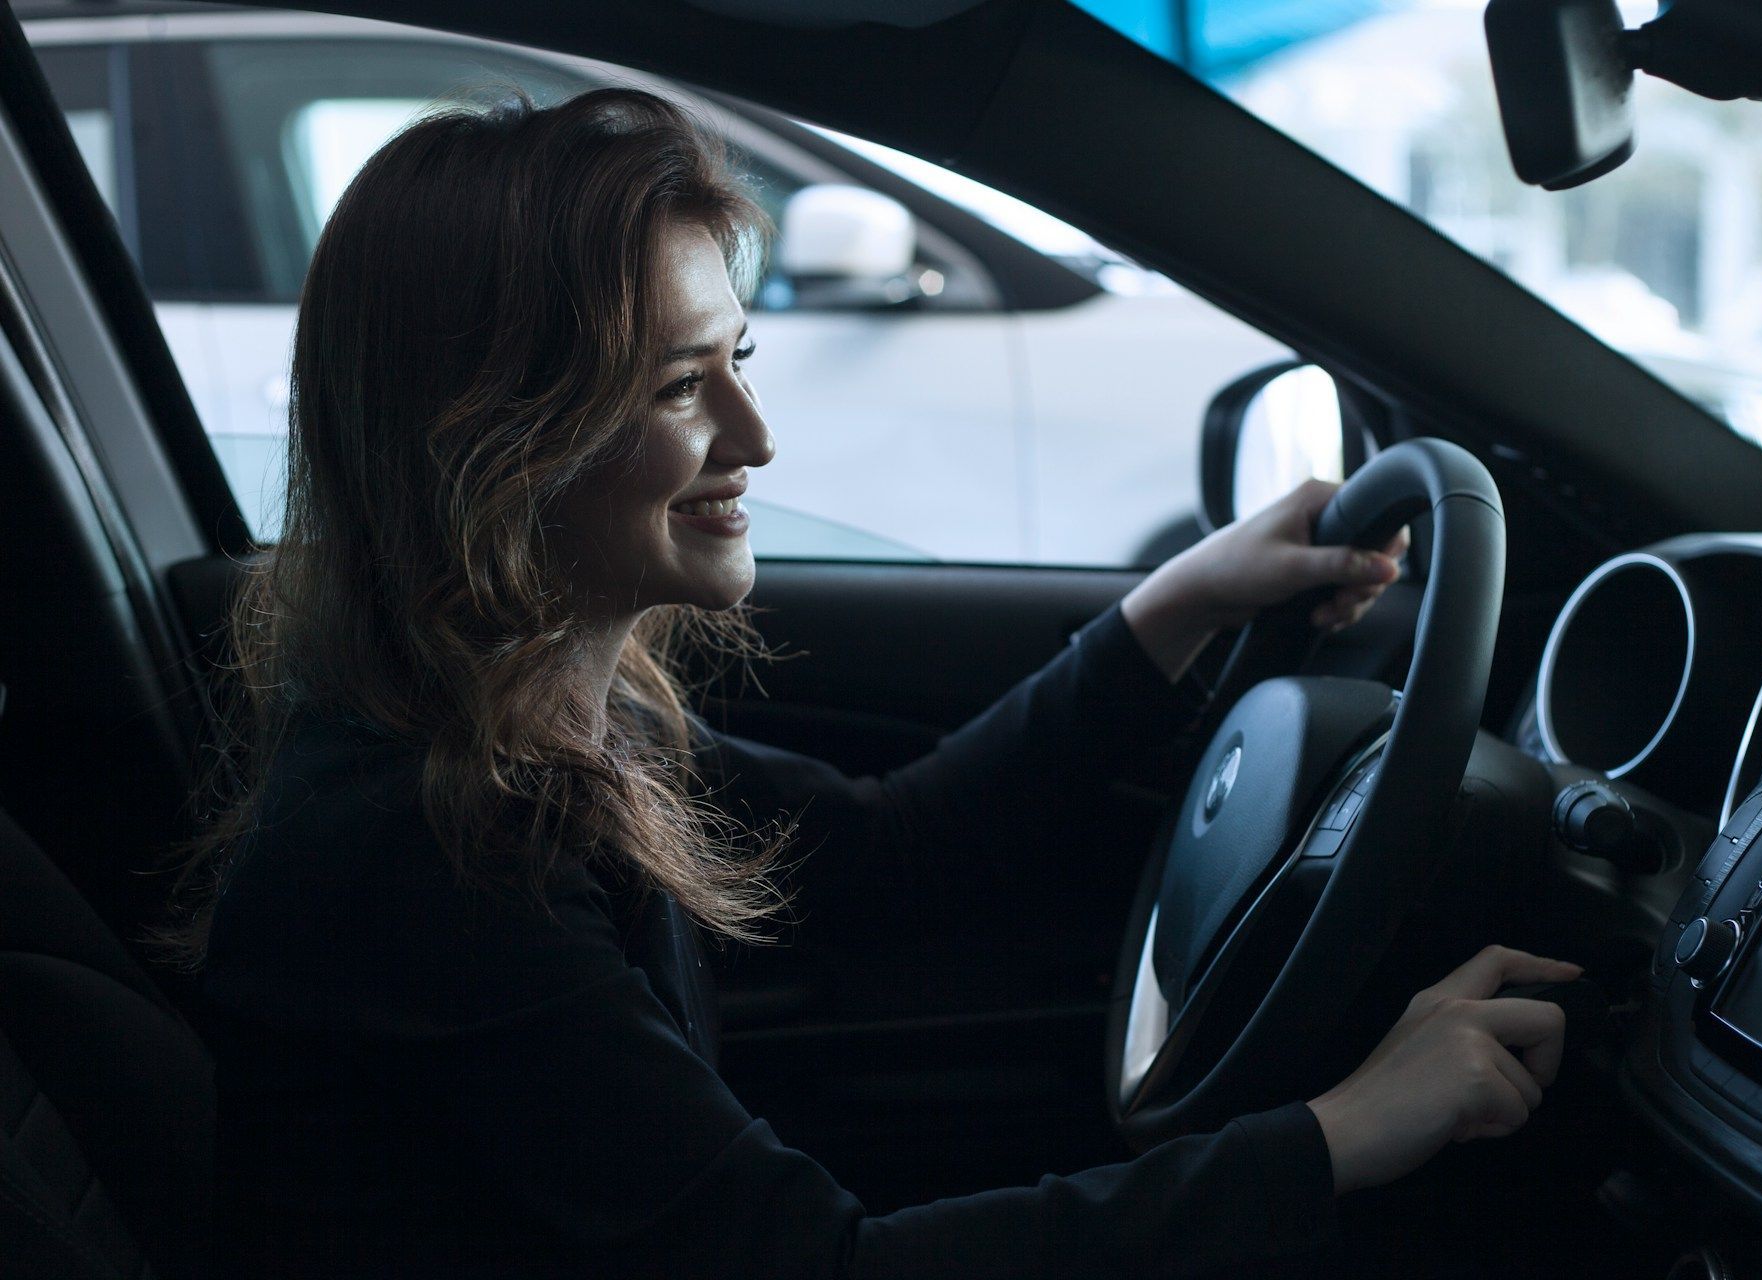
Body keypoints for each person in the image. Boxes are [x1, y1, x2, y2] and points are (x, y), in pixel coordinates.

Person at [167, 86, 1580, 1278]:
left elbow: (888, 847)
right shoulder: (420, 853)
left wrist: (1184, 597)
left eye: (741, 360)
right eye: (676, 390)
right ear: (497, 446)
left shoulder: (542, 711)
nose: (755, 436)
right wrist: (1345, 1132)